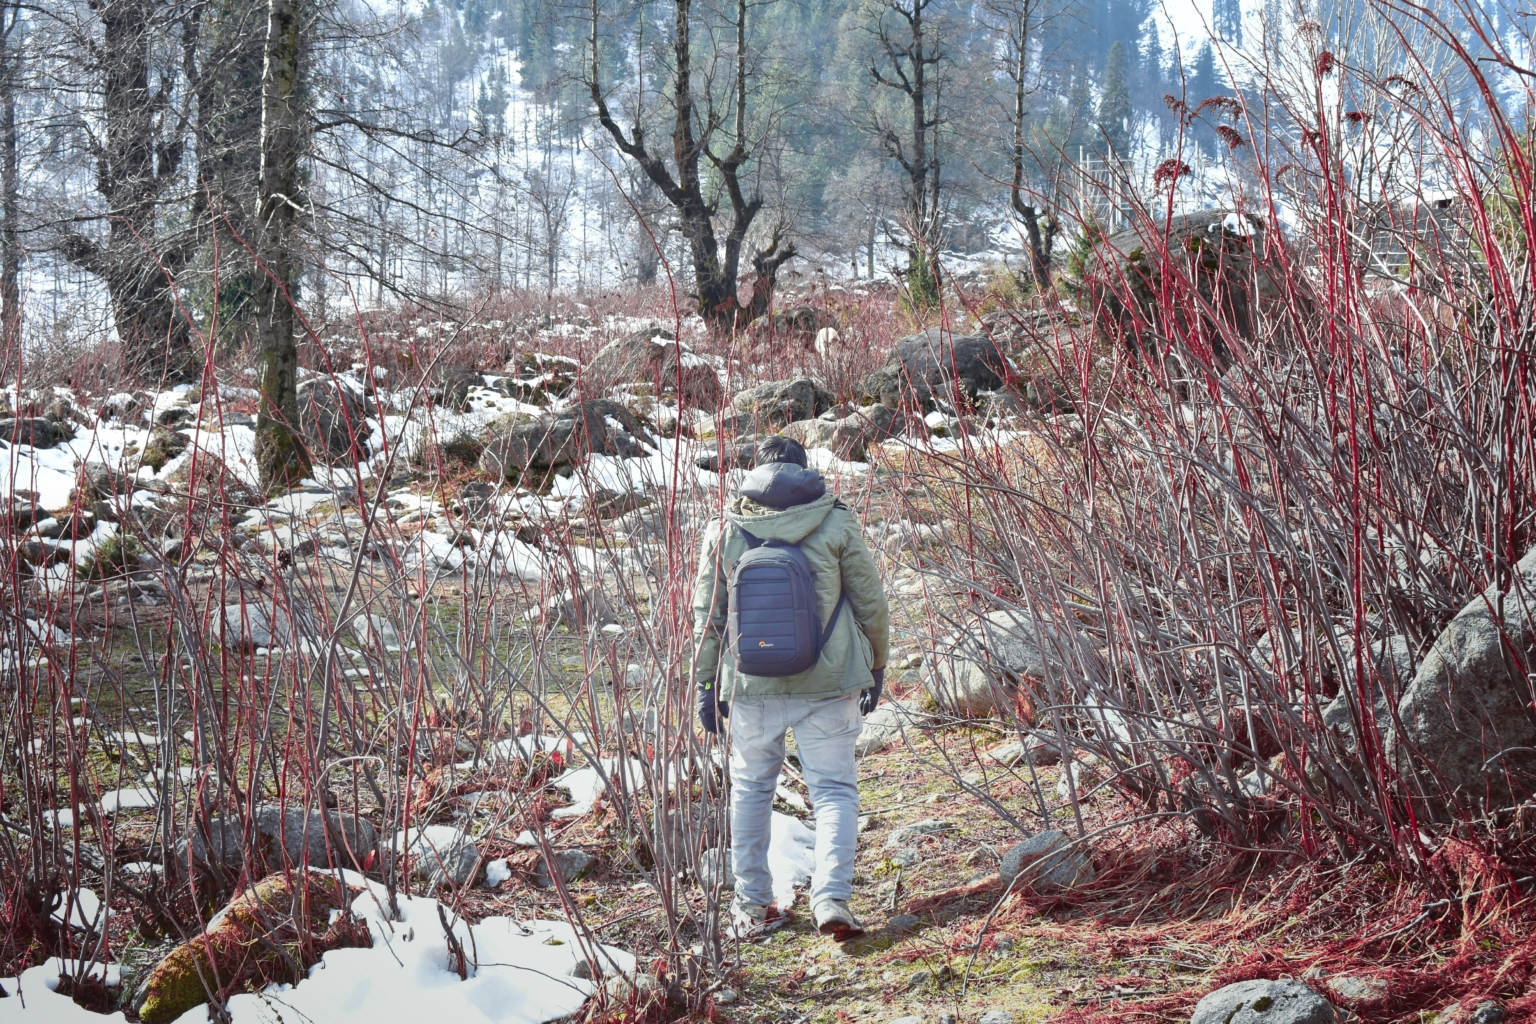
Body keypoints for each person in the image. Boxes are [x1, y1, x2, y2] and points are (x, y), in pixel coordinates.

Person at [691, 434, 891, 941]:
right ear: (805, 472)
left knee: (751, 789)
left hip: (751, 683)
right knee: (834, 790)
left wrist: (706, 684)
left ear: (754, 474)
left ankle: (752, 905)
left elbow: (708, 617)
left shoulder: (726, 527)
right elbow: (871, 603)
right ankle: (831, 899)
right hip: (830, 682)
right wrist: (877, 665)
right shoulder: (835, 521)